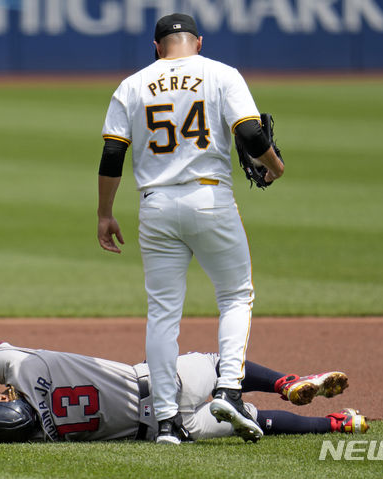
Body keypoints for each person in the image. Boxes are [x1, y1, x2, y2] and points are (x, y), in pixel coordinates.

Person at [96, 13, 285, 443]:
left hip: (155, 205)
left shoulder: (132, 84)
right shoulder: (221, 73)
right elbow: (253, 135)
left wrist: (105, 215)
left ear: (157, 47)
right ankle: (229, 390)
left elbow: (112, 155)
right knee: (236, 295)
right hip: (210, 199)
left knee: (163, 313)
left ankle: (166, 422)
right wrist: (275, 167)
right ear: (197, 42)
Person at [0, 342, 367, 443]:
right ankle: (288, 382)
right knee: (225, 367)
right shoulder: (25, 365)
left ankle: (341, 424)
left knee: (249, 419)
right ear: (6, 398)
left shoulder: (41, 436)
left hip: (162, 428)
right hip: (158, 380)